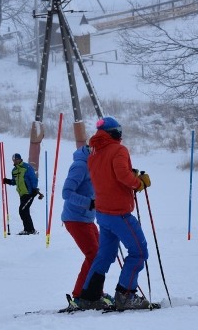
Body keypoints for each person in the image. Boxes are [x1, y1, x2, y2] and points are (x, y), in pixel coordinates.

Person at [79, 117, 154, 310]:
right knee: (139, 251)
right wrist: (139, 183)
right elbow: (122, 175)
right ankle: (126, 294)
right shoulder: (119, 149)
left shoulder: (94, 153)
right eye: (118, 129)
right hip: (119, 212)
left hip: (103, 213)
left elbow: (110, 175)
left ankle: (89, 295)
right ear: (114, 132)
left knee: (105, 255)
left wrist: (131, 174)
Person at [60, 144, 113, 310]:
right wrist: (89, 203)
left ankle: (94, 292)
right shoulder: (80, 165)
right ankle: (79, 295)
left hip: (88, 219)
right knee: (94, 255)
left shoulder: (94, 165)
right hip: (75, 218)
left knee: (100, 255)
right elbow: (66, 192)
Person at [3, 153, 43, 235]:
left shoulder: (26, 167)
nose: (15, 161)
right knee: (24, 211)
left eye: (17, 159)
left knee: (22, 210)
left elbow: (33, 178)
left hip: (29, 193)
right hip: (22, 194)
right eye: (14, 160)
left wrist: (34, 188)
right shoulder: (14, 170)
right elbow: (15, 182)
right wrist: (8, 181)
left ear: (20, 159)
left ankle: (29, 230)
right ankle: (30, 230)